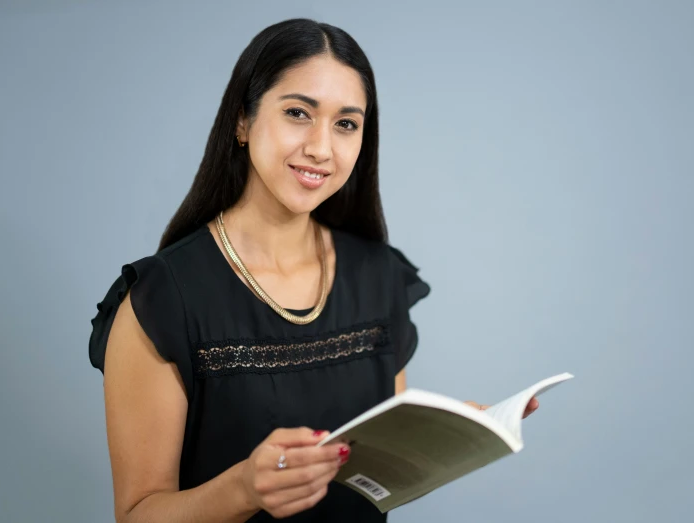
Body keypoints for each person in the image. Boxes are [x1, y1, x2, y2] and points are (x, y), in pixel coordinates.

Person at [88, 18, 538, 523]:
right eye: (298, 113)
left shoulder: (378, 276)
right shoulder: (162, 299)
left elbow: (376, 477)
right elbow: (136, 514)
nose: (322, 148)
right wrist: (243, 487)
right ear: (242, 120)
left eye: (346, 123)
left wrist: (447, 440)